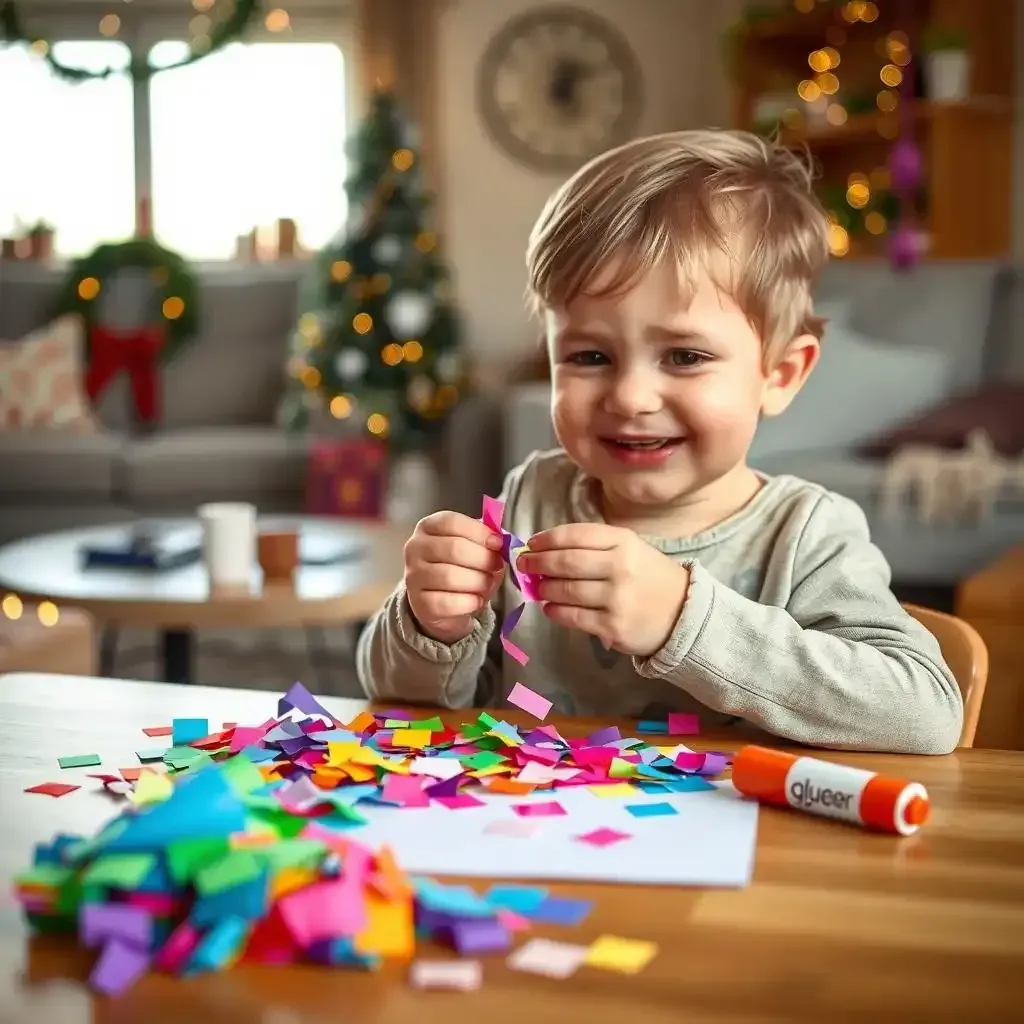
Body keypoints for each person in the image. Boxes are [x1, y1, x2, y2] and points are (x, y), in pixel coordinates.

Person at [356, 129, 963, 755]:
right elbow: (406, 698)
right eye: (590, 355)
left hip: (743, 846)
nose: (630, 397)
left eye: (685, 355)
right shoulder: (531, 497)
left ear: (779, 374)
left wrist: (683, 620)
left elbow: (925, 713)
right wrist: (431, 623)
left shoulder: (806, 534)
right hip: (536, 835)